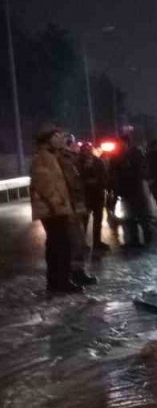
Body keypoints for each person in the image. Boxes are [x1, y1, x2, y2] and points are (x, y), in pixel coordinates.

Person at [30, 125, 82, 293]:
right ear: (48, 139)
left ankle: (57, 282)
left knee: (57, 245)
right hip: (52, 210)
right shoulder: (42, 158)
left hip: (55, 208)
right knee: (60, 246)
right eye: (57, 137)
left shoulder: (52, 156)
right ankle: (61, 282)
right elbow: (43, 184)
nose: (60, 139)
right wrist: (56, 203)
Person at [58, 135, 97, 286]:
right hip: (69, 206)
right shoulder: (63, 159)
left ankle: (76, 273)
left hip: (74, 205)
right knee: (75, 242)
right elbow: (72, 183)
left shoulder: (70, 159)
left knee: (78, 240)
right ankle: (76, 274)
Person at [112, 134, 153, 247]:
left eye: (121, 142)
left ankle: (147, 237)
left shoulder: (135, 153)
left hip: (137, 189)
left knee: (142, 215)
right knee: (129, 217)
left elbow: (141, 169)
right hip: (126, 190)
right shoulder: (118, 155)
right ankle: (133, 240)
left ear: (126, 142)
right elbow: (115, 171)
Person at [77, 142, 110, 253]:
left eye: (89, 149)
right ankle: (82, 244)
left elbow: (104, 176)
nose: (87, 152)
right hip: (85, 196)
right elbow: (77, 178)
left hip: (97, 194)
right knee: (84, 221)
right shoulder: (78, 163)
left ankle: (97, 242)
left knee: (97, 220)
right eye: (85, 150)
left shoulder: (97, 161)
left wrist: (100, 183)